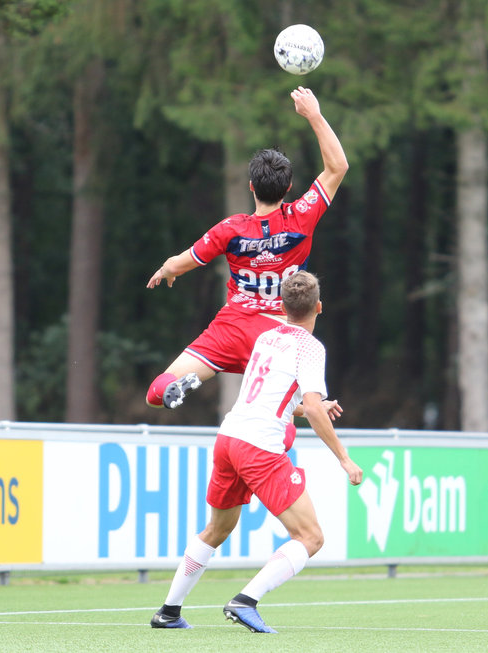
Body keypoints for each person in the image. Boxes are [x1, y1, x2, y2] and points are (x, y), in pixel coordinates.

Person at [150, 271, 363, 633]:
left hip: (230, 438)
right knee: (310, 538)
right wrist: (344, 457)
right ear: (319, 307)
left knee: (216, 530)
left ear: (281, 307)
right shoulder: (311, 347)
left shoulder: (266, 336)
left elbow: (278, 398)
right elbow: (311, 407)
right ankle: (244, 601)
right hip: (260, 446)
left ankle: (169, 612)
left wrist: (309, 405)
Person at [145, 85, 349, 410]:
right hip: (278, 336)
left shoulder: (230, 229)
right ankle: (304, 405)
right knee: (286, 403)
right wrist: (314, 114)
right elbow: (338, 166)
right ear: (289, 187)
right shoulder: (302, 216)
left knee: (157, 392)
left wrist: (166, 270)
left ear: (252, 186)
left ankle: (188, 382)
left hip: (230, 329)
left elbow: (180, 263)